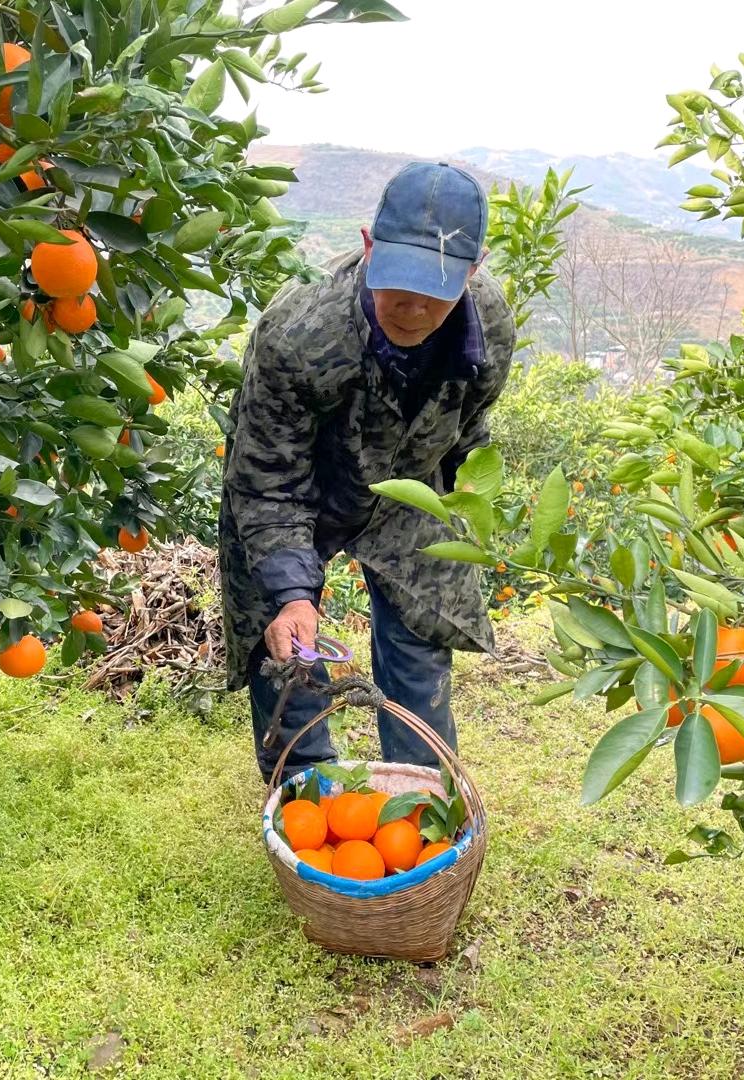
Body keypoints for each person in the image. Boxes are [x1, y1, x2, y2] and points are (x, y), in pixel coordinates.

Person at [219, 160, 515, 780]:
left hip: (411, 485)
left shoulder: (490, 326)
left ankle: (420, 793)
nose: (412, 307)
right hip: (301, 487)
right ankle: (306, 788)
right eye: (398, 280)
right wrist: (293, 595)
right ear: (368, 246)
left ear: (474, 270)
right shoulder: (299, 334)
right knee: (288, 644)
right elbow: (268, 481)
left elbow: (468, 433)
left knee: (420, 637)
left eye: (435, 289)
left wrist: (465, 513)